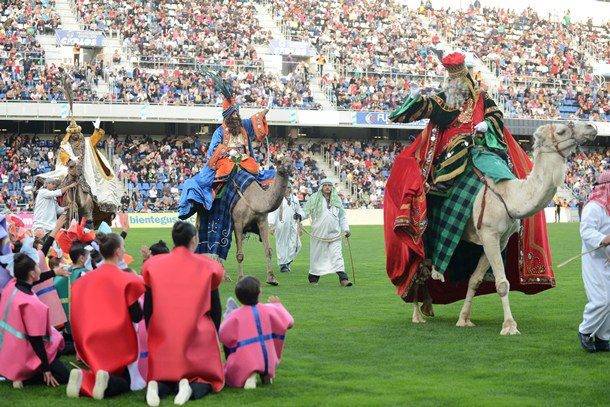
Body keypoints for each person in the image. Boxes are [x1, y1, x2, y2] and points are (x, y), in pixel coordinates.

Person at [384, 51, 554, 306]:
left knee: (508, 177)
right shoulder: (444, 101)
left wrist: (487, 123)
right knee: (437, 191)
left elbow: (497, 117)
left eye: (460, 79)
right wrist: (412, 100)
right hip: (453, 154)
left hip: (484, 149)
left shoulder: (483, 99)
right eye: (452, 80)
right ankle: (433, 245)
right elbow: (424, 107)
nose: (457, 85)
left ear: (467, 76)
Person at [178, 77, 274, 262]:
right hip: (226, 162)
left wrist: (263, 113)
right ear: (227, 118)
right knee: (218, 184)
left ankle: (259, 217)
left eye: (237, 116)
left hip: (244, 162)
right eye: (233, 116)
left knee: (258, 174)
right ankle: (210, 204)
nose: (236, 119)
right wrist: (228, 153)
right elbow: (213, 152)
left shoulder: (244, 127)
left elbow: (255, 121)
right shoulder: (219, 132)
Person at [142, 221, 224, 406]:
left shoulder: (153, 264)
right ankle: (189, 386)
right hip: (197, 334)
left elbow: (149, 306)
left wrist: (152, 330)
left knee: (165, 377)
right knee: (207, 380)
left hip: (163, 332)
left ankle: (155, 385)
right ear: (194, 239)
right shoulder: (208, 266)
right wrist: (215, 334)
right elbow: (215, 308)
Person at [67, 233, 145, 399]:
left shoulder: (84, 279)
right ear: (118, 252)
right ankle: (104, 380)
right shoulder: (127, 279)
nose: (124, 250)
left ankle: (84, 380)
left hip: (90, 337)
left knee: (99, 369)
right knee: (126, 382)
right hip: (117, 340)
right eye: (123, 247)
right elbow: (137, 316)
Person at [0, 252, 68, 389]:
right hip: (24, 355)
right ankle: (24, 379)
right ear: (31, 273)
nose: (39, 268)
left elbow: (33, 280)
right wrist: (46, 369)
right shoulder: (32, 304)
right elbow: (36, 341)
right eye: (37, 266)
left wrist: (54, 272)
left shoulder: (12, 285)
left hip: (7, 350)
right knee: (64, 375)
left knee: (61, 345)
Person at [219, 276, 294, 389]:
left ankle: (250, 375)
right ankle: (265, 376)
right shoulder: (269, 309)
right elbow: (290, 322)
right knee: (263, 351)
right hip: (269, 358)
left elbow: (223, 335)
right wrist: (279, 306)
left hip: (247, 359)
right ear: (259, 293)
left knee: (241, 351)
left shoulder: (235, 315)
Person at [578, 170, 610, 352]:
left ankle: (602, 337)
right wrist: (603, 238)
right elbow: (586, 232)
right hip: (595, 260)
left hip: (609, 260)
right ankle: (585, 330)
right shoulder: (594, 207)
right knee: (602, 300)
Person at [303, 179, 352, 286]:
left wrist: (346, 229)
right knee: (317, 256)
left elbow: (342, 217)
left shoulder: (337, 200)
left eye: (329, 185)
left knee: (337, 255)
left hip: (334, 235)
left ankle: (343, 279)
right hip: (319, 234)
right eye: (325, 185)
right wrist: (299, 216)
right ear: (321, 187)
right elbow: (305, 212)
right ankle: (313, 279)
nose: (327, 187)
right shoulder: (314, 198)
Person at [268, 185, 304, 273]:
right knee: (281, 243)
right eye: (285, 187)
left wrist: (300, 215)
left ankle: (288, 261)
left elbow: (299, 210)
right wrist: (271, 223)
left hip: (293, 224)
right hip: (281, 223)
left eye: (288, 187)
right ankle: (283, 264)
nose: (287, 189)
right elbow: (273, 211)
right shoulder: (277, 198)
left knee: (297, 244)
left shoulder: (294, 199)